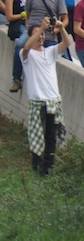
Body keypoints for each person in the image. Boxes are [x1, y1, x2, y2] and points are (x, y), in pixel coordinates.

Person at [22, 16, 70, 175]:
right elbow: (27, 47)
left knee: (51, 136)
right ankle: (36, 165)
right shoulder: (27, 55)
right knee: (37, 135)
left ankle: (47, 169)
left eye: (43, 35)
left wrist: (61, 28)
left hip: (52, 100)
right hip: (38, 101)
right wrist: (41, 28)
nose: (41, 38)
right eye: (38, 35)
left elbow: (66, 43)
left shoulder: (50, 52)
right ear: (31, 36)